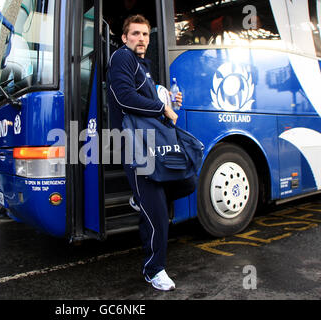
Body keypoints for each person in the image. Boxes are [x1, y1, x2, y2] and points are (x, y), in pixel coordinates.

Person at [107, 15, 196, 291]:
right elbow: (124, 98)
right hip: (134, 146)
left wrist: (168, 98)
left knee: (188, 182)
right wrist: (162, 108)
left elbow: (149, 98)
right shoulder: (122, 58)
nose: (141, 39)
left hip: (151, 145)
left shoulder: (141, 66)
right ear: (124, 38)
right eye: (135, 34)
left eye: (145, 34)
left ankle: (142, 200)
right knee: (158, 213)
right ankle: (154, 270)